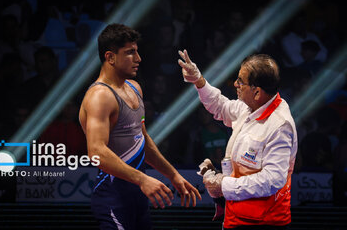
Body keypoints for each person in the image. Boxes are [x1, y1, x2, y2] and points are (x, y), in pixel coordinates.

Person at [79, 24, 201, 230]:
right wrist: (143, 179)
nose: (138, 58)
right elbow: (96, 152)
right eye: (130, 53)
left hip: (138, 196)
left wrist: (172, 174)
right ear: (110, 57)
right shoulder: (100, 96)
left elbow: (142, 140)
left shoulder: (135, 88)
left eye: (137, 51)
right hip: (113, 198)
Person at [178, 50, 297, 229]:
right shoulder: (250, 106)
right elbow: (221, 106)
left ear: (257, 92)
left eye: (241, 81)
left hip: (264, 222)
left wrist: (224, 184)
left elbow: (273, 179)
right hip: (235, 215)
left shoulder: (280, 125)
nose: (235, 84)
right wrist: (199, 81)